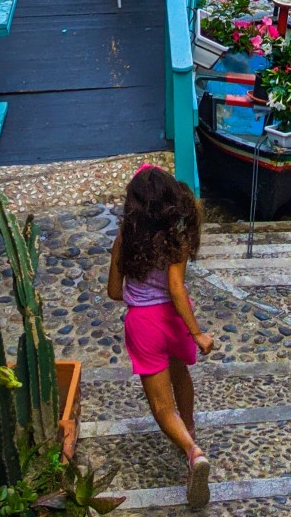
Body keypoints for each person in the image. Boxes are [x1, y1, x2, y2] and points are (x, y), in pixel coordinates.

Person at [108, 164, 215, 508]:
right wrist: (196, 333)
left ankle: (192, 451)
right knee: (180, 374)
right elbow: (176, 288)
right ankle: (191, 431)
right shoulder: (177, 239)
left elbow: (113, 291)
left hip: (144, 324)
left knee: (160, 405)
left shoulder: (125, 239)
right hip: (174, 321)